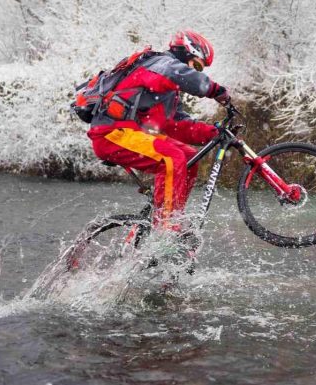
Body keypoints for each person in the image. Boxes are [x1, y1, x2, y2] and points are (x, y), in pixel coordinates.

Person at [87, 30, 231, 233]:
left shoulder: (167, 90)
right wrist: (215, 90)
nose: (199, 72)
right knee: (171, 157)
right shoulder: (159, 64)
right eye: (198, 65)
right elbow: (179, 74)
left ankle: (172, 216)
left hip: (133, 133)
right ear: (186, 51)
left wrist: (213, 133)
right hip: (111, 132)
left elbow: (174, 125)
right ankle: (166, 229)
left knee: (190, 157)